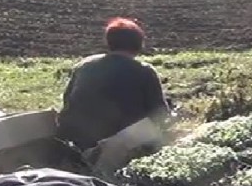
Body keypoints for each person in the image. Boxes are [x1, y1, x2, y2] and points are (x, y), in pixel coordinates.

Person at [57, 18, 172, 154]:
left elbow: (68, 101)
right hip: (117, 144)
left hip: (76, 140)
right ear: (139, 43)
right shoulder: (144, 71)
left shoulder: (85, 65)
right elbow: (160, 114)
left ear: (109, 42)